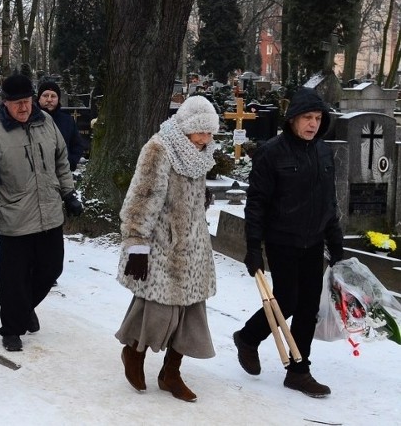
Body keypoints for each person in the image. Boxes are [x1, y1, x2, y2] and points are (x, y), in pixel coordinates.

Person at [233, 87, 343, 398]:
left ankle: (298, 370)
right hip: (281, 239)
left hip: (313, 241)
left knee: (309, 306)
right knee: (289, 299)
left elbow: (328, 201)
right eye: (307, 117)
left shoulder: (322, 152)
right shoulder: (271, 153)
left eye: (318, 118)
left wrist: (335, 244)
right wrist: (253, 247)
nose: (313, 124)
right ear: (293, 120)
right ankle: (249, 337)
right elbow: (256, 203)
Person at [115, 95, 219, 403]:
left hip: (195, 245)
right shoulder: (159, 150)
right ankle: (134, 353)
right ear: (185, 128)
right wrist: (136, 241)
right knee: (157, 310)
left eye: (210, 133)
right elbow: (141, 197)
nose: (206, 139)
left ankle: (170, 372)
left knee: (191, 314)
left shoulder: (200, 153)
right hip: (163, 245)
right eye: (200, 132)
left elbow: (191, 195)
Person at [0, 73, 82, 352]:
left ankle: (22, 309)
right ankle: (11, 328)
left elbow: (61, 159)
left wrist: (68, 193)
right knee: (13, 279)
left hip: (50, 213)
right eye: (17, 103)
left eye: (27, 101)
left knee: (51, 268)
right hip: (15, 217)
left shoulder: (46, 124)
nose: (24, 107)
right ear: (5, 103)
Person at [37, 81, 87, 170]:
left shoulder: (67, 120)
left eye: (53, 96)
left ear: (58, 98)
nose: (49, 99)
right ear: (39, 98)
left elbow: (77, 144)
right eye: (45, 95)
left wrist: (71, 161)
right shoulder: (30, 119)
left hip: (61, 172)